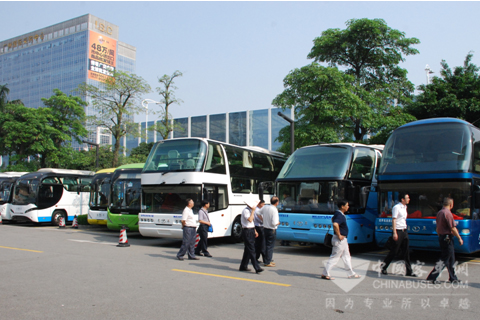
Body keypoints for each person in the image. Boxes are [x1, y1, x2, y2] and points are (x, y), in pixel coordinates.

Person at [426, 197, 464, 284]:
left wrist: (440, 235)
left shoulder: (439, 212)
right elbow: (453, 228)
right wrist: (459, 238)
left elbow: (438, 228)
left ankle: (453, 278)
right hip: (447, 238)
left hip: (442, 237)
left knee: (451, 259)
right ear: (451, 204)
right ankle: (431, 277)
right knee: (444, 259)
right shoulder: (448, 213)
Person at [321, 199, 360, 280]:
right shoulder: (339, 215)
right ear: (342, 206)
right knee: (335, 257)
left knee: (347, 256)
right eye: (347, 205)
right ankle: (325, 273)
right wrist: (339, 235)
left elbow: (333, 220)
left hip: (343, 240)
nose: (348, 207)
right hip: (339, 240)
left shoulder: (338, 213)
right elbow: (335, 224)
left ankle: (351, 273)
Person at [381, 193, 417, 277]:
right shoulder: (396, 207)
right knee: (394, 251)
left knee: (406, 252)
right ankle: (384, 267)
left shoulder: (405, 207)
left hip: (404, 231)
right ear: (402, 199)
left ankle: (409, 271)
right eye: (407, 198)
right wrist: (394, 233)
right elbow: (394, 220)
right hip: (398, 231)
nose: (409, 199)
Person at [239, 200, 264, 274]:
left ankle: (243, 266)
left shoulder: (250, 210)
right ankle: (257, 267)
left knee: (247, 250)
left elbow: (252, 223)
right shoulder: (246, 211)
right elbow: (250, 219)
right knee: (252, 249)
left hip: (251, 230)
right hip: (247, 231)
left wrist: (255, 230)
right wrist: (253, 211)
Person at [259, 196, 280, 267]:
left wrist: (263, 219)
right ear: (277, 203)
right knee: (270, 246)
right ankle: (268, 261)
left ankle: (267, 259)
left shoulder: (265, 207)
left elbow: (257, 213)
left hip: (265, 228)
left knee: (266, 245)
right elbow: (274, 222)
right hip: (271, 229)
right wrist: (278, 223)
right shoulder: (274, 210)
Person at [254, 200, 266, 264]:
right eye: (262, 204)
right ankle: (257, 257)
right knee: (260, 243)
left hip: (260, 226)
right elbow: (260, 219)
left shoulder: (260, 210)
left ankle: (257, 257)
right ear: (259, 204)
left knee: (259, 243)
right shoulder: (257, 210)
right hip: (258, 226)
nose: (263, 206)